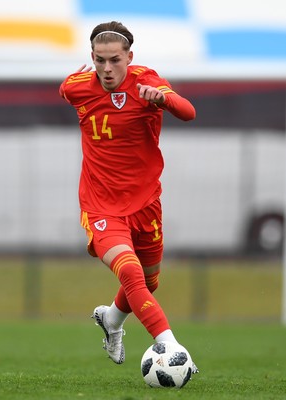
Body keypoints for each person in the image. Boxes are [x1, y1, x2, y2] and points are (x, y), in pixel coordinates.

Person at [59, 21, 198, 373]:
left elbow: (188, 111)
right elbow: (66, 88)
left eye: (115, 60)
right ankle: (171, 347)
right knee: (131, 274)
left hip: (146, 202)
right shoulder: (78, 87)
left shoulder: (147, 81)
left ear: (129, 57)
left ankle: (112, 319)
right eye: (100, 60)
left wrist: (163, 98)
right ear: (92, 57)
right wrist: (69, 83)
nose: (107, 68)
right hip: (101, 205)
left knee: (150, 281)